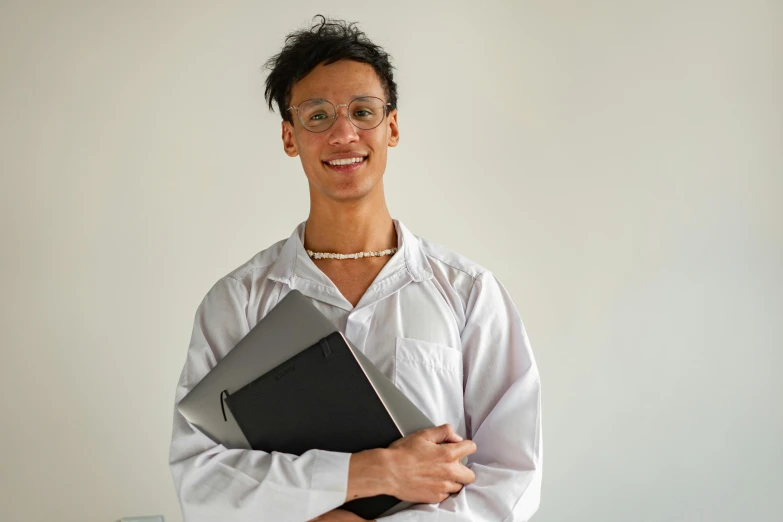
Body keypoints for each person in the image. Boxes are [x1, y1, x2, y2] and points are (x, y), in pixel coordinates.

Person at [169, 15, 542, 522]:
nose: (344, 133)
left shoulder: (468, 292)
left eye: (362, 111)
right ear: (289, 136)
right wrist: (371, 473)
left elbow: (513, 477)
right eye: (318, 115)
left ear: (391, 127)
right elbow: (203, 481)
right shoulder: (238, 301)